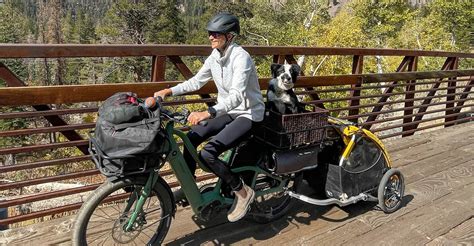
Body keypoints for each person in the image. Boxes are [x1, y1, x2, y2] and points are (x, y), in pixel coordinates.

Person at [154, 13, 265, 222]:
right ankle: (190, 186)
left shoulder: (242, 58)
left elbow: (237, 96)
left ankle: (242, 192)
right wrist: (169, 91)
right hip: (228, 111)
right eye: (209, 33)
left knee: (208, 153)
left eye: (216, 34)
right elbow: (196, 81)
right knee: (191, 137)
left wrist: (208, 112)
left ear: (230, 36)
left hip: (248, 114)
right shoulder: (215, 56)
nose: (210, 37)